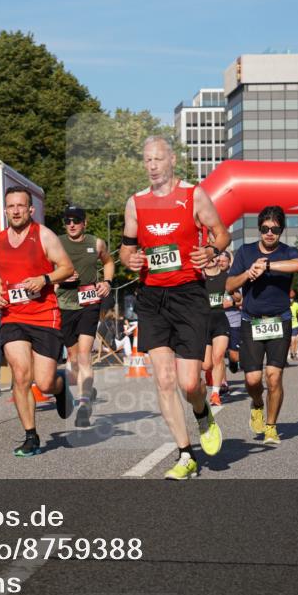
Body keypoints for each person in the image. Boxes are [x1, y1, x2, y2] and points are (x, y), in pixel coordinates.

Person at [120, 136, 230, 480]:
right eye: (147, 160)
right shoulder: (135, 203)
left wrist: (210, 252)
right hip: (152, 298)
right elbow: (126, 249)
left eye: (157, 159)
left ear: (172, 160)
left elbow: (222, 234)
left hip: (188, 296)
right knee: (164, 380)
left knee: (188, 383)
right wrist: (131, 259)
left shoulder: (193, 195)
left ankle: (201, 414)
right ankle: (186, 454)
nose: (152, 166)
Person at [0, 185, 75, 457]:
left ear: (30, 209)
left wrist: (44, 279)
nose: (16, 210)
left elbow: (67, 268)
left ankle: (59, 387)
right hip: (13, 316)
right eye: (11, 206)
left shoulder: (44, 236)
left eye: (21, 206)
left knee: (43, 383)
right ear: (5, 210)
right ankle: (31, 436)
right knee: (21, 375)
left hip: (45, 315)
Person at [226, 206, 298, 446]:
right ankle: (257, 404)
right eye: (265, 228)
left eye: (275, 229)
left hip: (279, 321)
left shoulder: (288, 252)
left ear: (281, 230)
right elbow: (229, 284)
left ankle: (271, 427)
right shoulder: (245, 252)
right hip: (251, 322)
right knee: (252, 380)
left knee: (273, 377)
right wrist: (249, 273)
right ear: (259, 229)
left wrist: (268, 266)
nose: (270, 233)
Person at [56, 205, 114, 426]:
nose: (71, 224)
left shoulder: (96, 243)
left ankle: (83, 405)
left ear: (84, 223)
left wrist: (107, 282)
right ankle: (87, 389)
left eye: (76, 220)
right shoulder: (56, 243)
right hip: (64, 304)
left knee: (83, 354)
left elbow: (108, 262)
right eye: (67, 220)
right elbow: (44, 270)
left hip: (89, 302)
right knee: (72, 360)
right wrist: (60, 279)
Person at [203, 248, 231, 407]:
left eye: (214, 256)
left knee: (219, 356)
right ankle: (209, 373)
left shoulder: (226, 277)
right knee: (206, 364)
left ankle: (215, 394)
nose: (211, 258)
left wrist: (233, 300)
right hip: (204, 322)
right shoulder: (198, 278)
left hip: (220, 319)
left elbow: (239, 298)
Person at [221, 252, 243, 380]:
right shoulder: (212, 276)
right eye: (220, 260)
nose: (221, 263)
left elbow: (243, 300)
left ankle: (233, 360)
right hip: (218, 320)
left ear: (229, 262)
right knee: (218, 354)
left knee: (234, 355)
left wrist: (232, 303)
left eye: (224, 261)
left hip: (234, 320)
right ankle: (222, 383)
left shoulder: (234, 278)